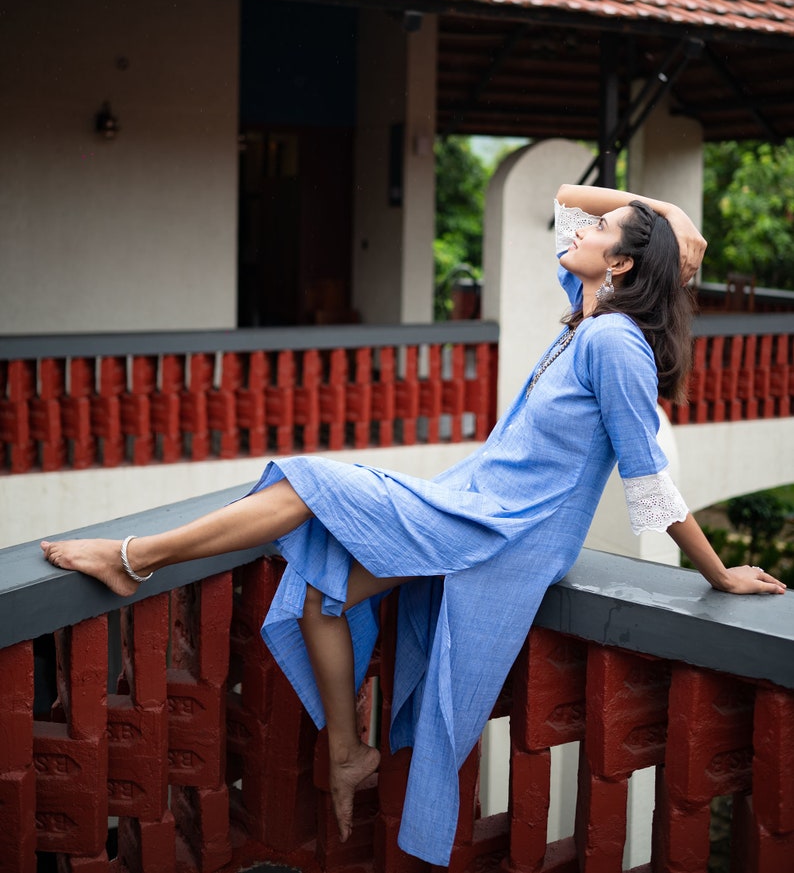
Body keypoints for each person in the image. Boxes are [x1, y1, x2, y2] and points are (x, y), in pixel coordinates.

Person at [40, 184, 786, 867]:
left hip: (504, 528)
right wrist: (673, 216)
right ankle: (347, 751)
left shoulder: (614, 342)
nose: (583, 227)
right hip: (470, 499)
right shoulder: (587, 310)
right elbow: (563, 199)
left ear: (620, 263)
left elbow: (647, 477)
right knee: (318, 591)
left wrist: (716, 573)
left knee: (307, 481)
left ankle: (133, 558)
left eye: (604, 230)